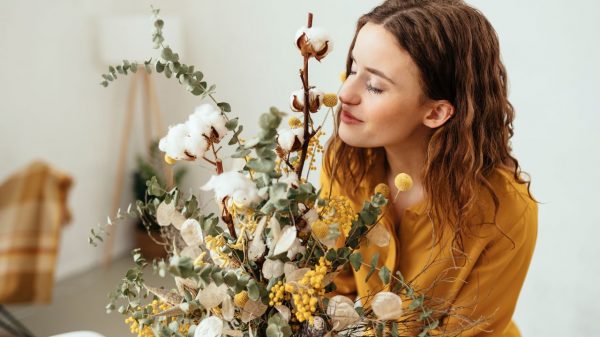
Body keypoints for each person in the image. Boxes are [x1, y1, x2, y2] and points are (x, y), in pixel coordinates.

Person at [319, 0, 538, 336]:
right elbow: (333, 291)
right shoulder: (345, 164)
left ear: (436, 113)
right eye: (352, 69)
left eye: (375, 86)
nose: (345, 93)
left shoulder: (505, 209)